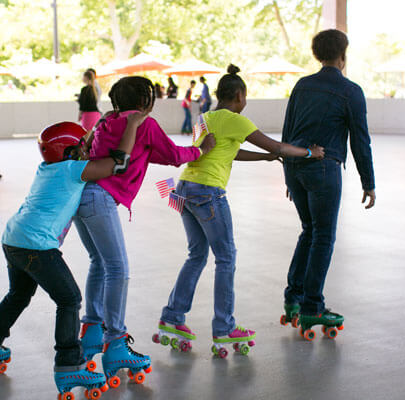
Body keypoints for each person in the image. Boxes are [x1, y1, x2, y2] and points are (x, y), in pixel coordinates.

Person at [0, 113, 147, 398]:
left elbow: (83, 147)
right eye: (83, 147)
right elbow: (119, 163)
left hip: (13, 239)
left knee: (18, 295)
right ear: (71, 152)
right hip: (36, 247)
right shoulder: (74, 170)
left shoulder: (48, 167)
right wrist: (133, 125)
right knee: (69, 299)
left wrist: (98, 127)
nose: (88, 151)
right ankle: (69, 363)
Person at [156, 65, 323, 358]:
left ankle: (172, 316)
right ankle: (224, 327)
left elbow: (226, 151)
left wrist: (265, 158)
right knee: (226, 257)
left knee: (196, 255)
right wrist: (310, 152)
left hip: (185, 189)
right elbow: (279, 145)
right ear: (239, 95)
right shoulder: (236, 120)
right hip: (209, 194)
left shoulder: (204, 117)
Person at [73, 76, 216, 388]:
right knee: (118, 269)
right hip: (102, 199)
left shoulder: (105, 121)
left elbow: (157, 154)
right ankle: (116, 343)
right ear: (146, 102)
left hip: (82, 197)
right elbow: (175, 155)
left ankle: (92, 331)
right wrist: (201, 149)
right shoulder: (143, 124)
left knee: (99, 263)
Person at [280, 29, 376, 341]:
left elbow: (288, 129)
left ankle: (293, 298)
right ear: (343, 56)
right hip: (323, 169)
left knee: (309, 230)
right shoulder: (351, 91)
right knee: (323, 236)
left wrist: (287, 174)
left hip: (296, 166)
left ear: (317, 55)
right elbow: (361, 141)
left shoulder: (302, 86)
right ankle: (312, 306)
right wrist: (369, 182)